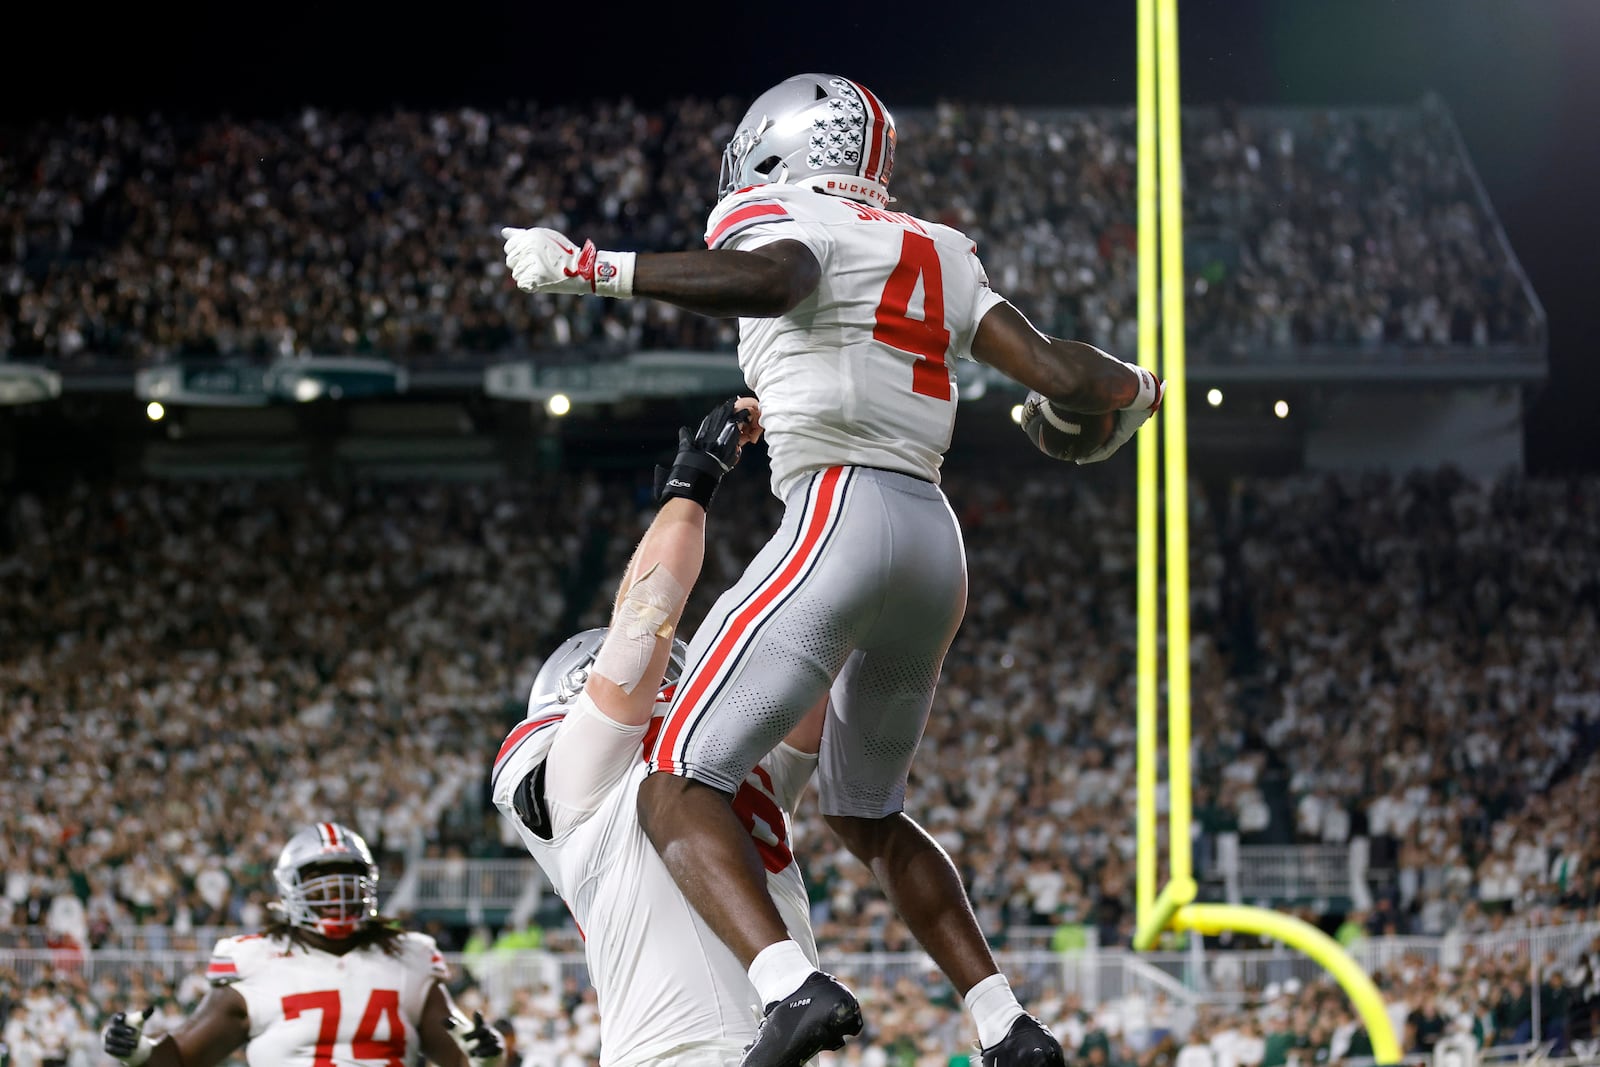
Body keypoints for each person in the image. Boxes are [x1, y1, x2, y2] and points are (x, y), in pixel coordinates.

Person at [500, 72, 1162, 1067]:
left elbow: (780, 279)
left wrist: (592, 267)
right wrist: (1133, 397)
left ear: (777, 147)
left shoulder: (777, 213)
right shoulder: (939, 248)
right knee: (866, 811)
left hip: (838, 510)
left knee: (674, 779)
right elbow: (1074, 378)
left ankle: (791, 986)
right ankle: (1004, 1023)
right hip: (935, 540)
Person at [491, 396, 826, 1067]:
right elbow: (815, 636)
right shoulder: (734, 757)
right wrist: (825, 488)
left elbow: (644, 625)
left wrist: (693, 482)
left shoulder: (585, 772)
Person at [100, 822, 504, 1067]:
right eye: (322, 885)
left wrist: (488, 1057)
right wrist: (137, 1053)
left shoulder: (409, 956)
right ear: (291, 891)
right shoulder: (255, 959)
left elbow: (459, 1058)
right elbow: (184, 1058)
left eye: (347, 884)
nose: (337, 898)